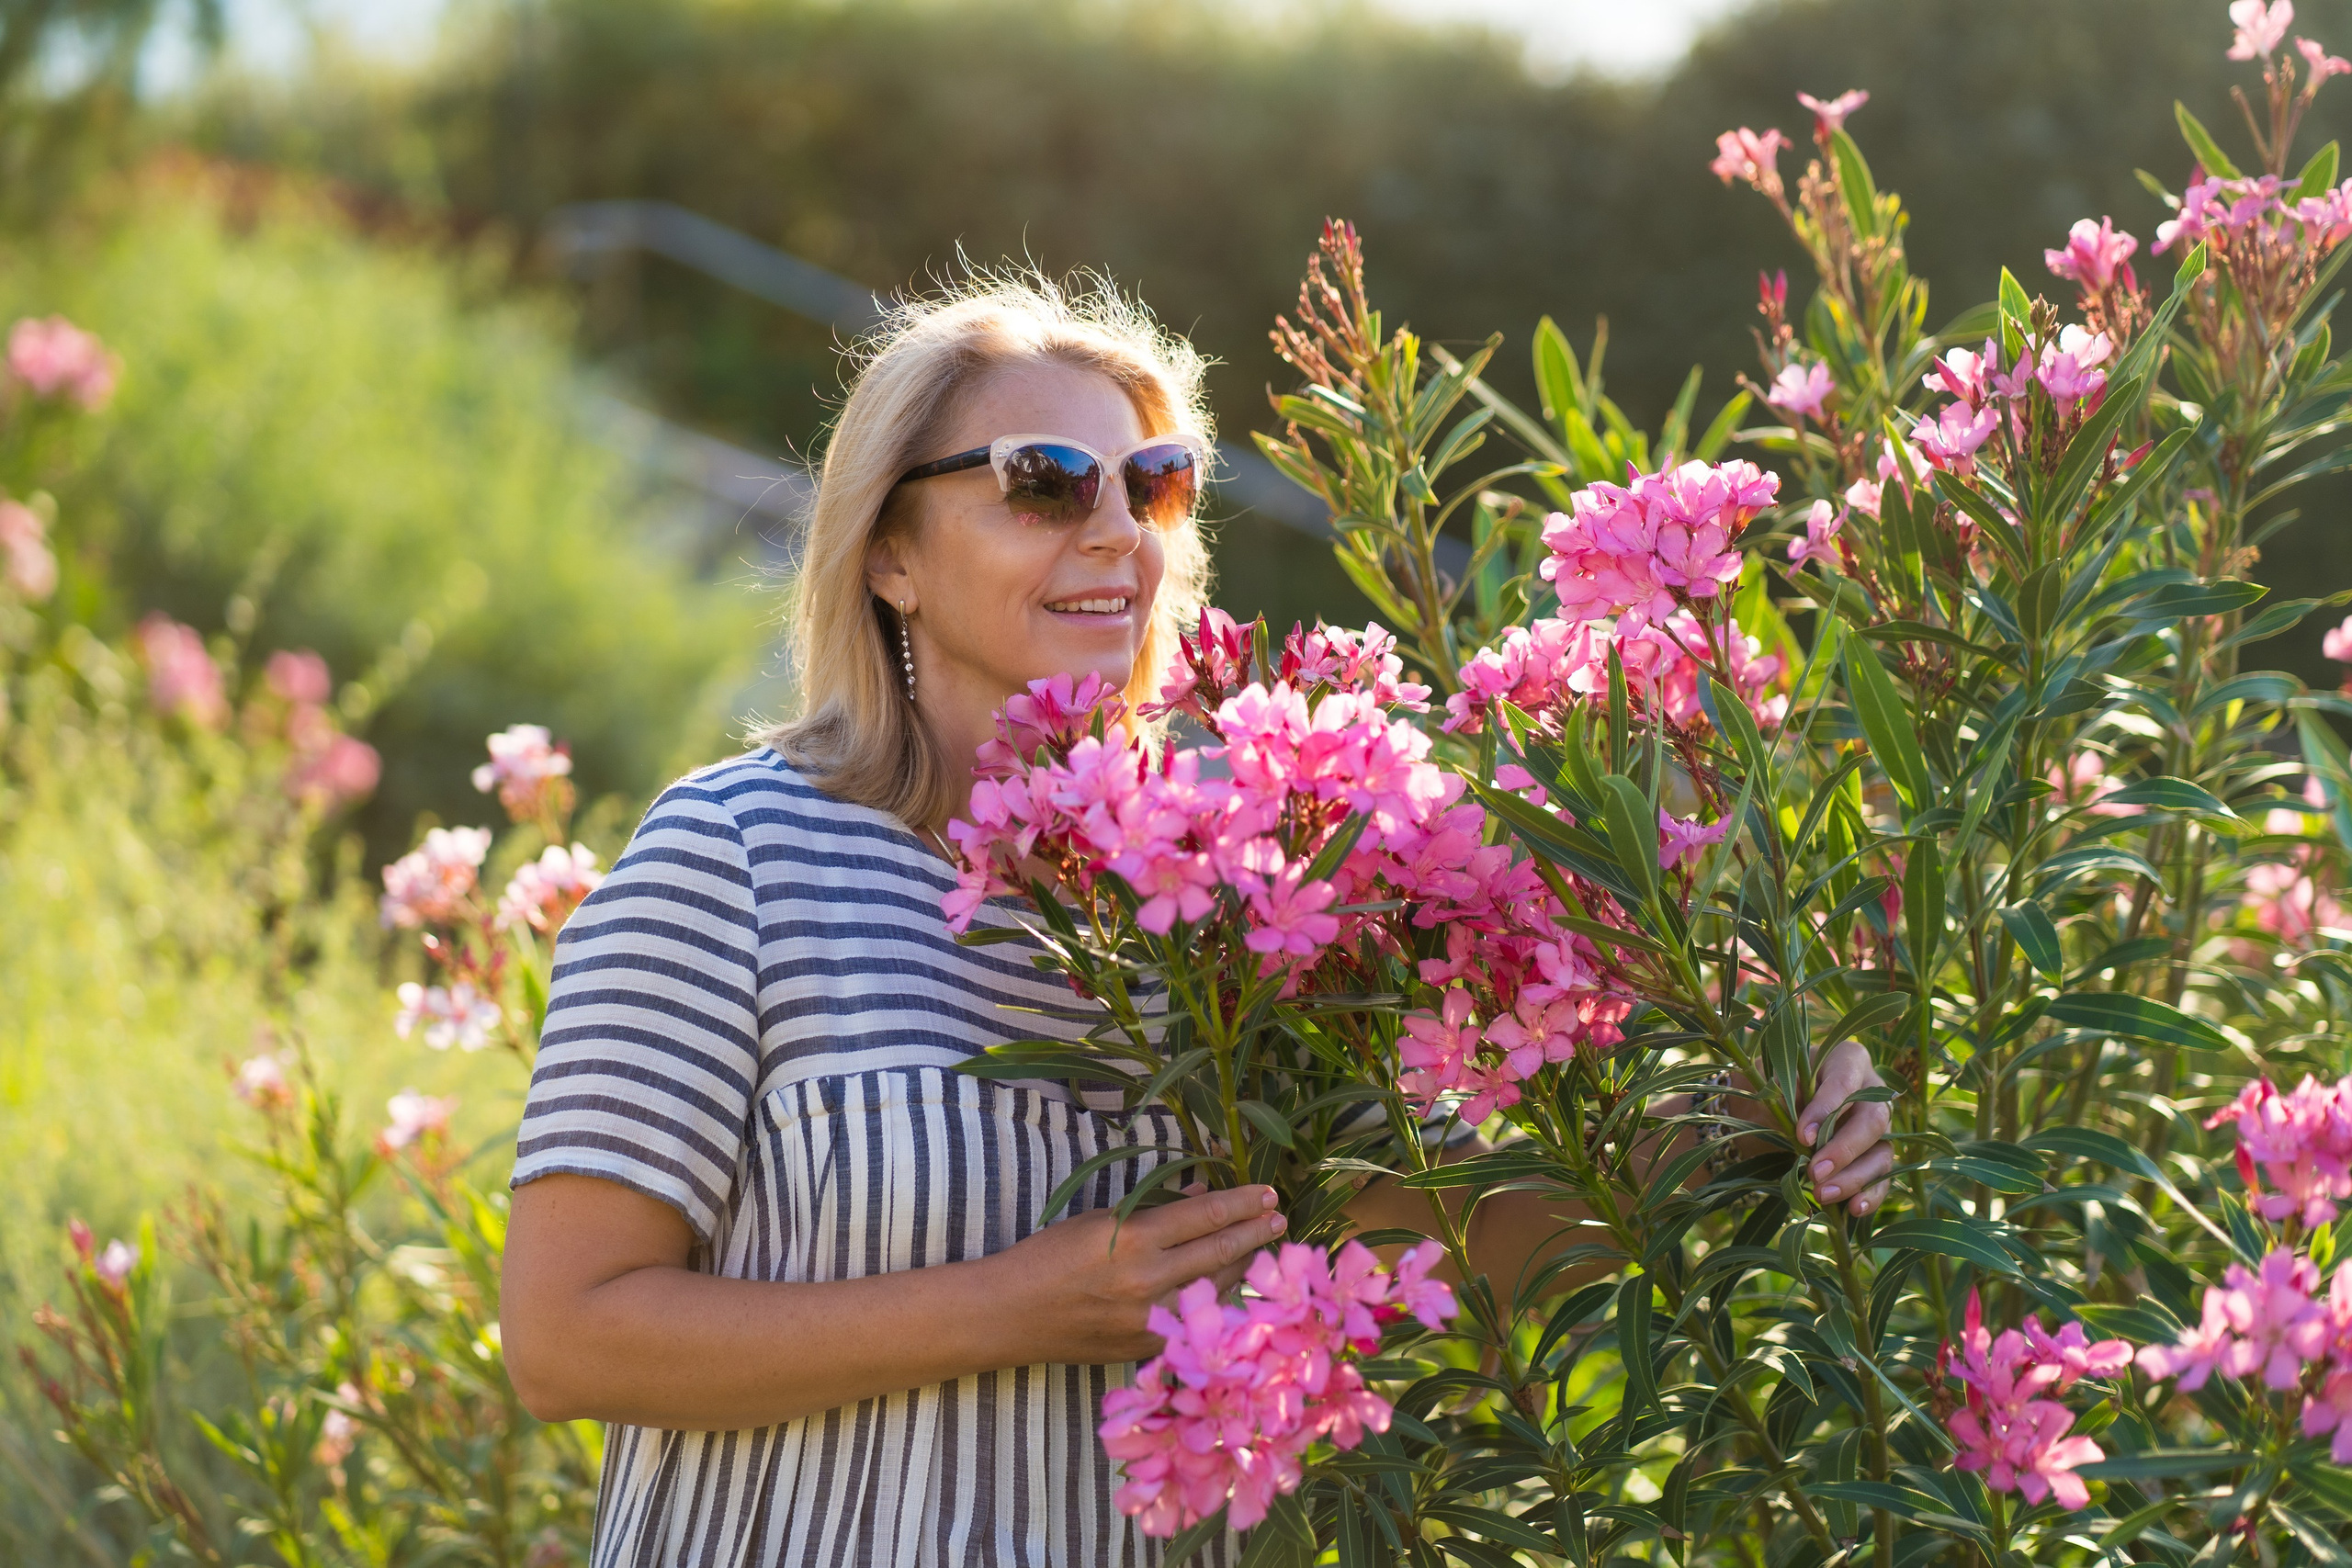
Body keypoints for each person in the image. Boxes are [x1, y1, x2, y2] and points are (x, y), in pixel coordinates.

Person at [497, 271, 1895, 1567]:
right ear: (889, 556)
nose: (1112, 528)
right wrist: (1019, 1306)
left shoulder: (1243, 883)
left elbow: (1420, 1234)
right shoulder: (730, 859)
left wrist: (1743, 1119)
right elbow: (567, 1339)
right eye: (1039, 484)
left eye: (1151, 486)